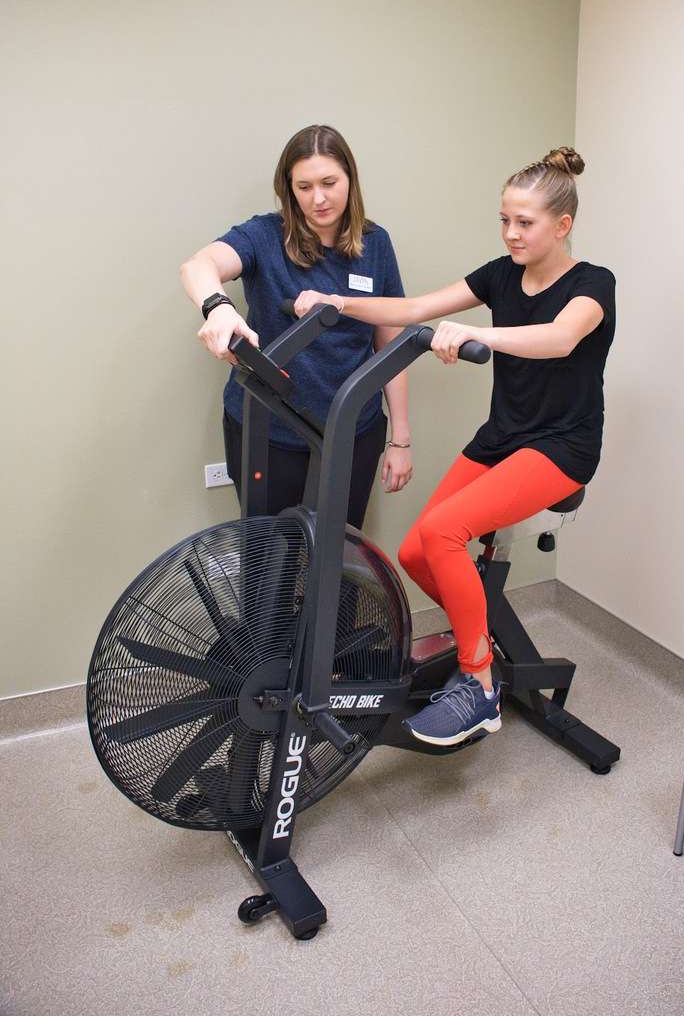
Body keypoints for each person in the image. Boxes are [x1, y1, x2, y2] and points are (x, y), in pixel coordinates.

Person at [292, 147, 615, 745]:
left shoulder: (593, 284)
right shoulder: (500, 273)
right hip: (503, 438)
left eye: (525, 222)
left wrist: (474, 332)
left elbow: (559, 338)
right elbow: (415, 308)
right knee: (417, 553)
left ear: (562, 225)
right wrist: (341, 304)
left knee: (445, 533)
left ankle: (480, 686)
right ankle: (481, 638)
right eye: (504, 220)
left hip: (563, 448)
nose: (511, 233)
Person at [180, 124, 413, 528]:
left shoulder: (376, 245)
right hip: (268, 434)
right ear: (289, 189)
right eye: (304, 187)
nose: (318, 198)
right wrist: (217, 306)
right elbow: (198, 265)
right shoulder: (264, 236)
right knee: (271, 561)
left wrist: (400, 439)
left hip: (351, 431)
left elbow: (392, 349)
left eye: (329, 183)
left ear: (350, 181)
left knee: (340, 559)